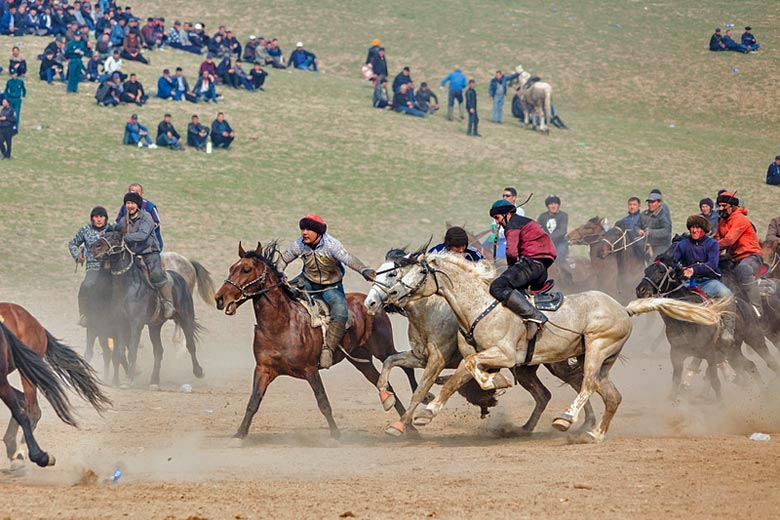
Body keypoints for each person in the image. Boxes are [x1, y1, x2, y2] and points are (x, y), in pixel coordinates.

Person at [277, 214, 376, 369]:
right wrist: (280, 272)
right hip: (306, 281)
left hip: (331, 287)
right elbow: (284, 259)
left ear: (318, 232)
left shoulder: (332, 245)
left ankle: (328, 349)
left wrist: (364, 270)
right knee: (282, 294)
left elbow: (348, 259)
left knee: (341, 312)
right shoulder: (299, 244)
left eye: (309, 229)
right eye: (303, 228)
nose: (304, 232)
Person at [487, 199, 556, 336]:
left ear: (507, 214)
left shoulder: (513, 225)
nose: (497, 222)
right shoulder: (524, 221)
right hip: (541, 268)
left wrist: (510, 269)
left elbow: (511, 252)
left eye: (497, 217)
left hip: (530, 265)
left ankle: (535, 317)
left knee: (497, 287)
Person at [672, 215, 735, 342]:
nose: (694, 230)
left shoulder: (712, 244)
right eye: (692, 228)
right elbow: (673, 261)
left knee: (726, 293)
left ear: (703, 229)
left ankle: (728, 329)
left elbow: (712, 264)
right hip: (687, 283)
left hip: (708, 282)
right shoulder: (682, 245)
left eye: (697, 227)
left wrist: (694, 270)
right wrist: (681, 270)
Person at [117, 191, 174, 319]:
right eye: (127, 203)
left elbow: (142, 235)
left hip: (149, 252)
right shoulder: (123, 220)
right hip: (133, 253)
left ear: (137, 205)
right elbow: (117, 230)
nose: (130, 206)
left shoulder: (146, 217)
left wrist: (125, 237)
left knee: (156, 274)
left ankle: (168, 302)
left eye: (132, 203)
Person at [715, 192, 764, 316]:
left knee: (743, 270)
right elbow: (717, 241)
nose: (720, 209)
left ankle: (757, 308)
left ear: (732, 206)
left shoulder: (740, 219)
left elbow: (729, 240)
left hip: (751, 256)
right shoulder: (722, 221)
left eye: (723, 205)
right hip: (734, 258)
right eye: (719, 205)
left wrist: (710, 246)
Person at [68, 206, 112, 327]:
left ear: (105, 218)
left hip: (110, 267)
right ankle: (84, 314)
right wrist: (78, 256)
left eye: (101, 217)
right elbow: (72, 243)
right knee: (86, 286)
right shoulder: (85, 230)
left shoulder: (111, 229)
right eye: (96, 217)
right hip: (94, 266)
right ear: (92, 218)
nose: (98, 219)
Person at [116, 183, 164, 251]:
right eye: (131, 192)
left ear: (142, 193)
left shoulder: (149, 207)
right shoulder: (125, 207)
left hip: (149, 247)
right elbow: (118, 222)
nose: (134, 194)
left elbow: (156, 222)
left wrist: (138, 232)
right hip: (131, 246)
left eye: (137, 192)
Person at [537, 195, 568, 262]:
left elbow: (562, 231)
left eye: (555, 204)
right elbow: (538, 229)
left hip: (559, 243)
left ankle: (567, 272)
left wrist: (548, 237)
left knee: (559, 258)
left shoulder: (563, 216)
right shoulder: (542, 216)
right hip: (545, 243)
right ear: (547, 206)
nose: (553, 206)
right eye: (551, 204)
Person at [644, 192, 672, 257]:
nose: (650, 204)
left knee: (655, 262)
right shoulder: (647, 214)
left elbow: (667, 231)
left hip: (661, 245)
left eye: (652, 202)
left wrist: (650, 232)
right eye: (649, 202)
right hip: (649, 243)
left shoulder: (663, 215)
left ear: (659, 203)